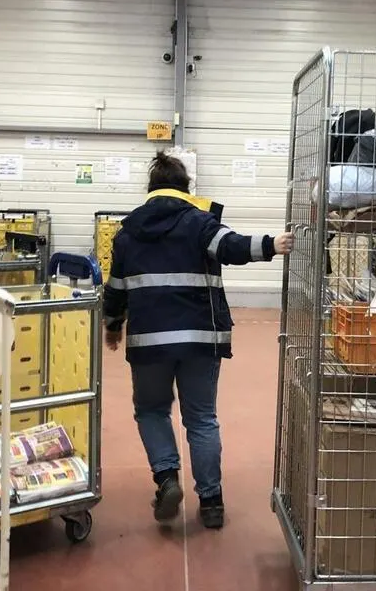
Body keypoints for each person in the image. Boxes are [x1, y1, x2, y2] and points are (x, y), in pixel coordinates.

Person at [102, 152, 294, 529]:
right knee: (202, 418)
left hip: (149, 342)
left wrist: (113, 325)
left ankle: (167, 478)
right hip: (200, 340)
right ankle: (211, 502)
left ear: (150, 190)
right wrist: (273, 244)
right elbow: (232, 247)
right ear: (186, 189)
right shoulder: (199, 222)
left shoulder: (127, 233)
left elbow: (116, 287)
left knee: (152, 410)